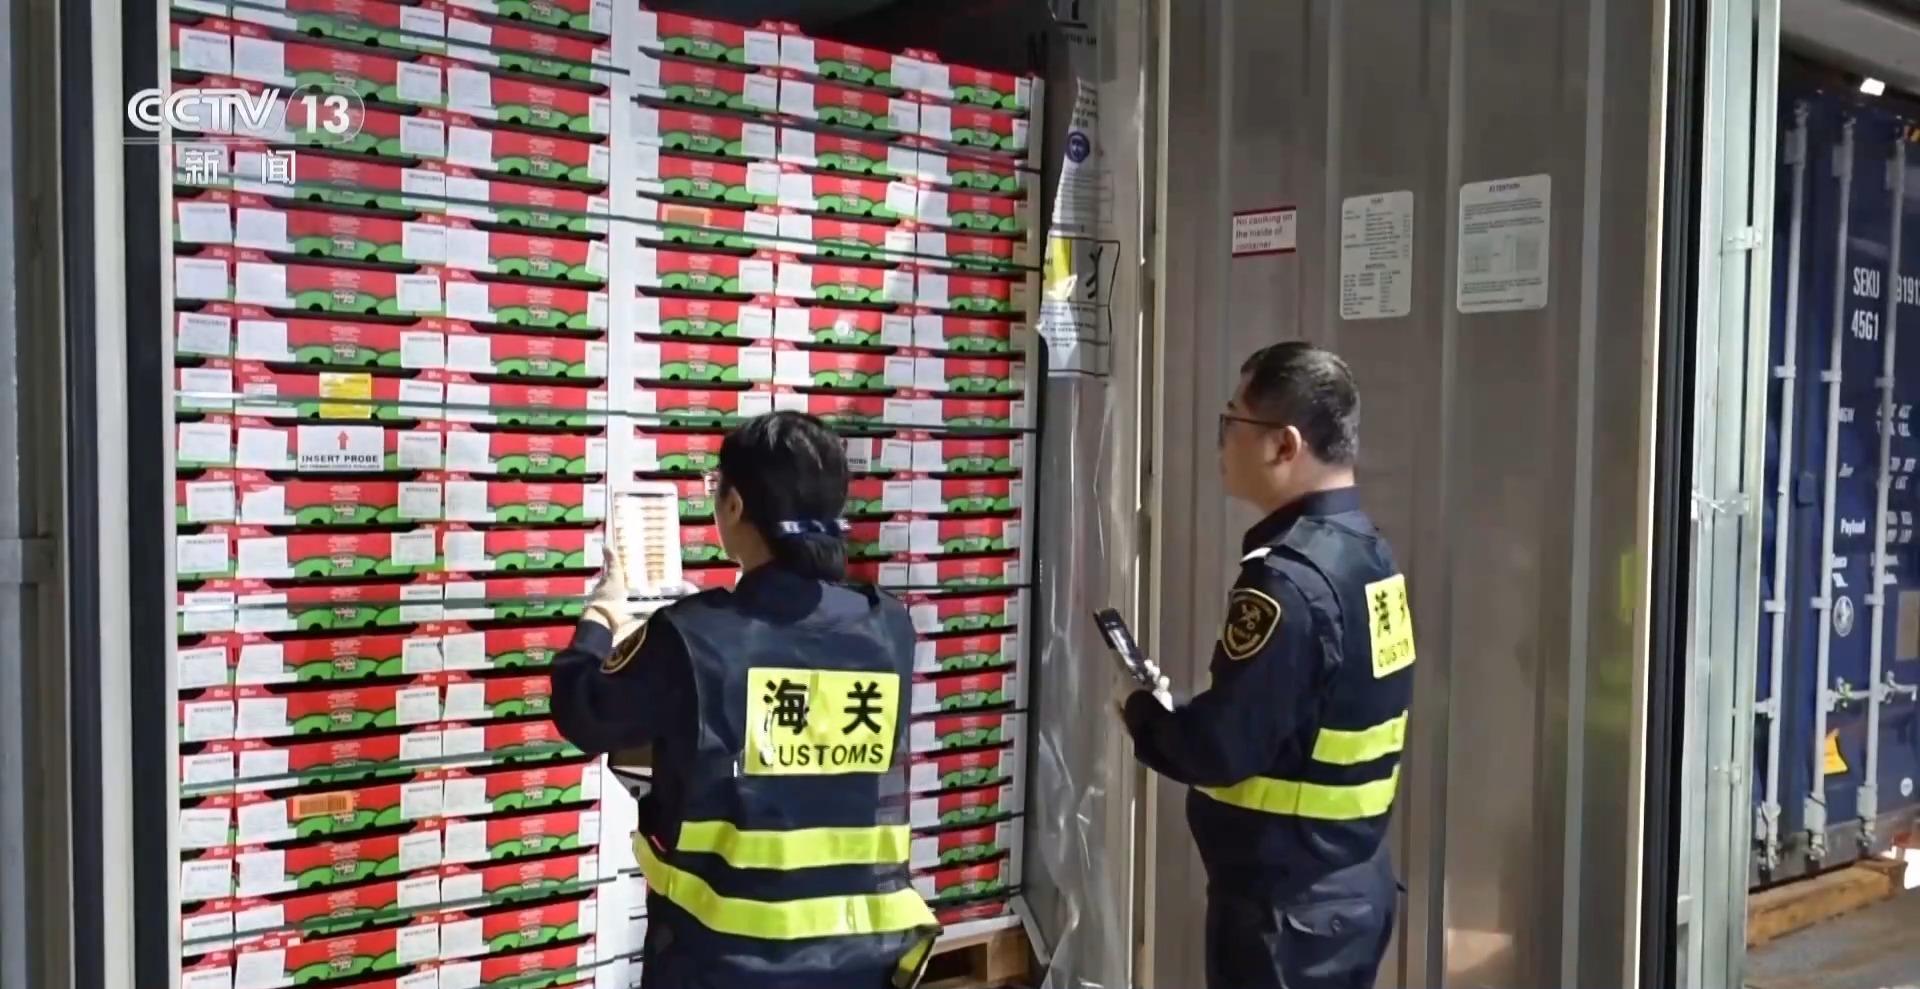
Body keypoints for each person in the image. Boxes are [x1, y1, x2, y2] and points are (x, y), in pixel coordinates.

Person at [550, 411, 940, 989]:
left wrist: (602, 618)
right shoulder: (889, 628)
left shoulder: (691, 637)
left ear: (733, 505)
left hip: (722, 967)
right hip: (859, 965)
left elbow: (584, 711)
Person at [1117, 343, 1413, 989]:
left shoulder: (1286, 583)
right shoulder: (1368, 553)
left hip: (1286, 916)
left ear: (1284, 444)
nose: (1222, 442)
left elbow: (1224, 750)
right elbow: (1304, 716)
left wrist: (1140, 712)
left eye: (1232, 421)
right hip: (1347, 888)